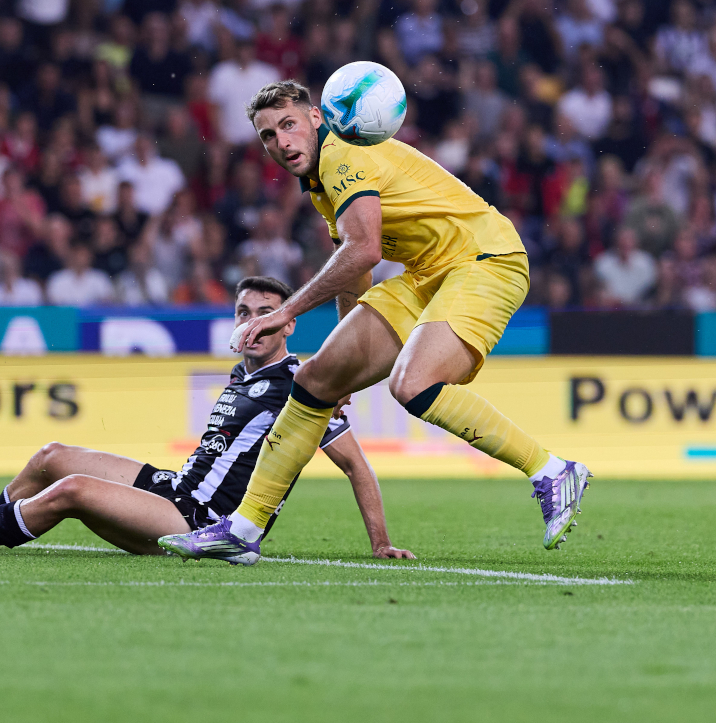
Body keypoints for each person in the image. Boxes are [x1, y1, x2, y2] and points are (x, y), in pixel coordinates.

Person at [160, 80, 591, 565]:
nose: (280, 142)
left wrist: (285, 312)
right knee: (315, 381)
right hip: (428, 272)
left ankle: (551, 469)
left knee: (412, 383)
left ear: (317, 119)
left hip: (485, 259)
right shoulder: (322, 182)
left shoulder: (344, 156)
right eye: (267, 135)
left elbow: (361, 249)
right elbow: (357, 270)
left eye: (288, 125)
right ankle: (242, 529)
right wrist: (349, 363)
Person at [0, 276, 414, 560]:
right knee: (51, 457)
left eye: (266, 315)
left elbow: (356, 467)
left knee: (75, 489)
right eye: (245, 312)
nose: (254, 323)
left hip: (203, 523)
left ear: (287, 325)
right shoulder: (239, 377)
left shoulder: (302, 382)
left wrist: (379, 541)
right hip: (177, 491)